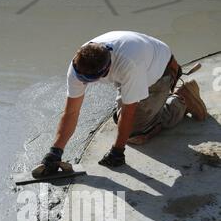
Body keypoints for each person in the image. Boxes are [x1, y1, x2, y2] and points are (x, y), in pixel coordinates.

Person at [40, 31, 207, 172]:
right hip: (138, 64)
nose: (83, 82)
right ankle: (156, 104)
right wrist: (55, 152)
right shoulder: (79, 65)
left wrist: (117, 151)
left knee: (135, 133)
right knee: (118, 120)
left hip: (159, 73)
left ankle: (181, 100)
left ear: (107, 70)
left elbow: (129, 112)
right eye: (81, 78)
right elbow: (71, 111)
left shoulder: (128, 65)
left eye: (89, 80)